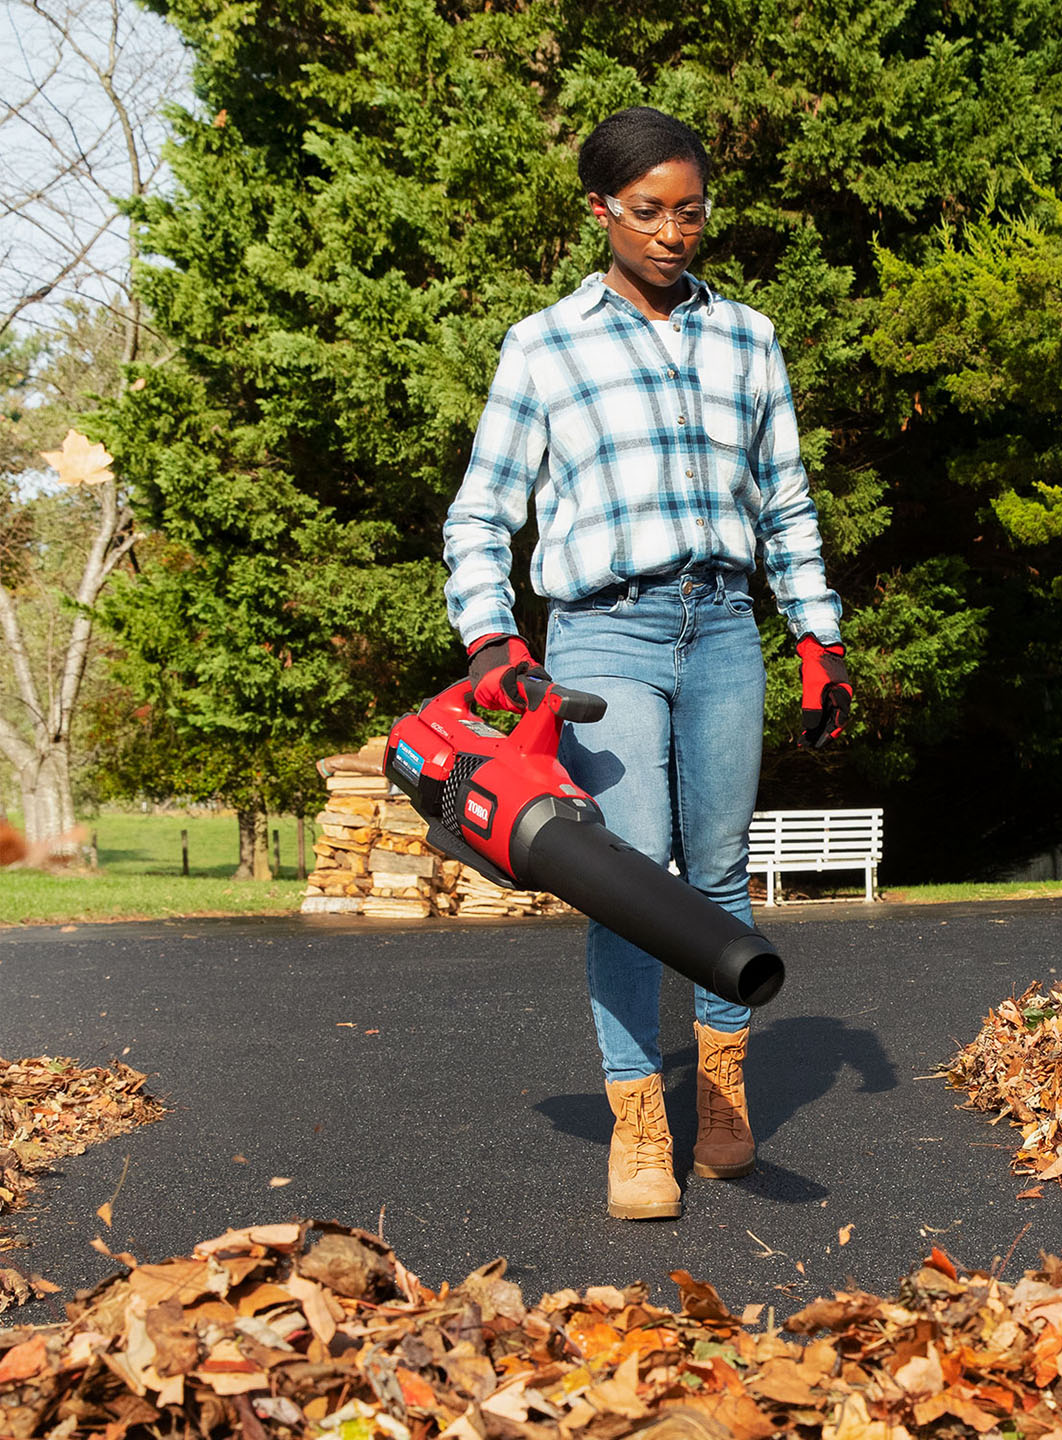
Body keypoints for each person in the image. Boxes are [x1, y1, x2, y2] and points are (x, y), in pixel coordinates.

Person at [442, 106, 852, 1221]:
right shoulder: (546, 345)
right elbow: (481, 517)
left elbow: (786, 504)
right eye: (650, 212)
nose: (676, 233)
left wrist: (817, 634)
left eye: (692, 211)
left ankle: (721, 1101)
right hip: (601, 633)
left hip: (721, 627)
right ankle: (637, 1124)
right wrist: (491, 641)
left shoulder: (746, 338)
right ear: (601, 212)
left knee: (718, 873)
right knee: (630, 886)